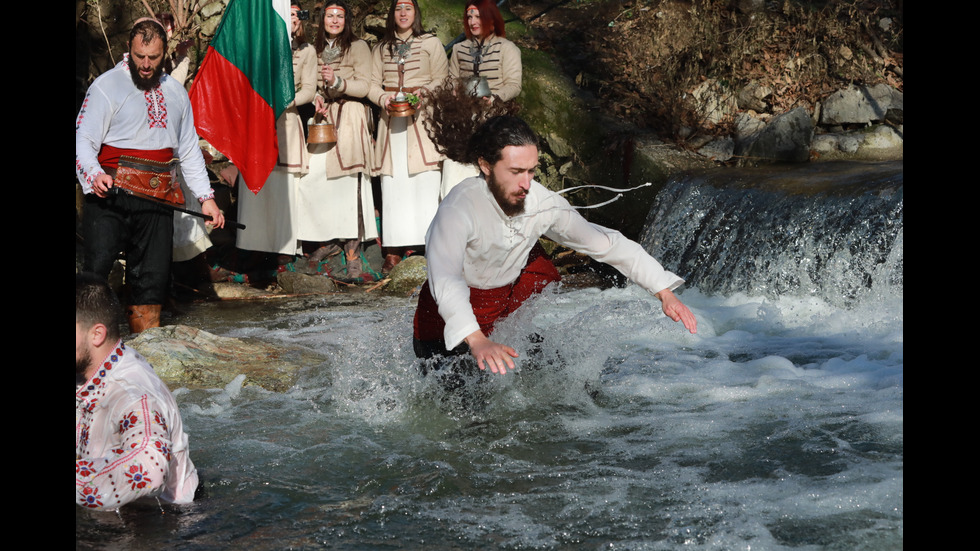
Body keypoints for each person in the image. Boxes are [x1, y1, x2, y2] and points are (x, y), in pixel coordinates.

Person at [413, 116, 698, 373]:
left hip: (500, 318)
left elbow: (604, 243)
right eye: (515, 172)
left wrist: (662, 290)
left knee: (555, 378)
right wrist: (476, 339)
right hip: (441, 327)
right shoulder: (458, 208)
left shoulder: (540, 202)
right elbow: (445, 279)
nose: (526, 184)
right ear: (485, 166)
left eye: (531, 171)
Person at [76, 18, 225, 333]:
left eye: (153, 58)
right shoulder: (106, 85)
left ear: (164, 53)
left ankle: (146, 355)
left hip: (158, 197)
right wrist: (94, 175)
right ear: (128, 50)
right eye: (139, 57)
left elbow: (188, 151)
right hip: (110, 193)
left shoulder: (175, 93)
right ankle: (84, 353)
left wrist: (207, 200)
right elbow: (83, 141)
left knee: (153, 279)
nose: (145, 65)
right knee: (96, 275)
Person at [76, 273, 199, 510]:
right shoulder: (87, 368)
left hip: (167, 523)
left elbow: (149, 468)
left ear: (97, 334)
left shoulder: (133, 393)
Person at [296, 0, 380, 280]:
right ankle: (329, 238)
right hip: (325, 117)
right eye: (329, 16)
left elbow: (366, 85)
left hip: (352, 114)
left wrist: (338, 82)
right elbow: (312, 84)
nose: (334, 20)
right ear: (322, 20)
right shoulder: (315, 49)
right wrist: (319, 96)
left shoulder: (358, 47)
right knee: (314, 178)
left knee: (350, 181)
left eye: (339, 16)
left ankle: (353, 250)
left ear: (347, 20)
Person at [369, 0, 448, 272]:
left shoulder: (430, 43)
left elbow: (442, 78)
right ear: (392, 14)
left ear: (416, 13)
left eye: (408, 8)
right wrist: (382, 97)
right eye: (398, 9)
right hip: (390, 120)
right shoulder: (380, 48)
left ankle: (429, 243)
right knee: (393, 182)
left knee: (425, 179)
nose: (403, 14)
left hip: (422, 119)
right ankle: (394, 247)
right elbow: (370, 82)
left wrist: (421, 96)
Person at [236, 0, 317, 258]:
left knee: (285, 185)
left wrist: (285, 99)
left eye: (296, 15)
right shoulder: (262, 47)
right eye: (287, 14)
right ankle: (255, 243)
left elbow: (309, 89)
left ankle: (284, 245)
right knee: (261, 182)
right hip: (259, 122)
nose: (292, 19)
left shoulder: (307, 51)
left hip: (288, 123)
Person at [441, 0, 523, 198]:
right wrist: (454, 92)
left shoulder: (507, 48)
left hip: (495, 119)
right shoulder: (459, 50)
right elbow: (451, 80)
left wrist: (494, 98)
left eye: (478, 16)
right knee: (455, 169)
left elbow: (514, 85)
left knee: (493, 172)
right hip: (464, 118)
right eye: (469, 16)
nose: (472, 21)